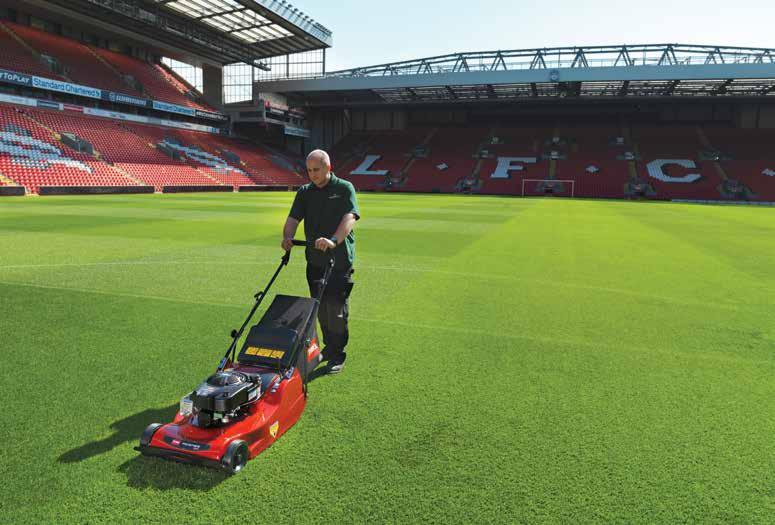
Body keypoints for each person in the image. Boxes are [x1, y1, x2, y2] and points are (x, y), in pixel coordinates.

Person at [281, 149, 360, 374]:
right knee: (320, 307)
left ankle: (338, 353)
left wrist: (334, 240)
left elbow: (350, 218)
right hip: (315, 260)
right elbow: (293, 218)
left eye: (316, 170)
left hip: (339, 261)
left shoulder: (344, 188)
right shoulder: (305, 192)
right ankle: (328, 347)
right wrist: (287, 236)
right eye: (309, 170)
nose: (312, 174)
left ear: (328, 167)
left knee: (336, 310)